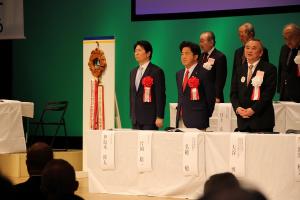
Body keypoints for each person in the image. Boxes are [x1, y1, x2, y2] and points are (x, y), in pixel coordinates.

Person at [230, 39, 277, 133]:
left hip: (261, 120)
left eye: (253, 48)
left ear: (260, 53)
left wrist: (253, 110)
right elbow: (233, 93)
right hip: (243, 121)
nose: (249, 50)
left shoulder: (269, 69)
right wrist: (238, 108)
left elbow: (267, 95)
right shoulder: (239, 69)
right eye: (247, 48)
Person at [176, 41, 215, 130]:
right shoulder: (179, 74)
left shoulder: (204, 73)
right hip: (181, 119)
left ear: (196, 56)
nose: (183, 56)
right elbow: (181, 95)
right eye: (182, 54)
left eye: (187, 53)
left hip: (198, 119)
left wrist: (204, 115)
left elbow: (210, 97)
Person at [129, 40, 166, 130]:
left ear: (148, 53)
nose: (136, 53)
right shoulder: (133, 72)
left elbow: (160, 95)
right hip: (135, 119)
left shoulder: (156, 71)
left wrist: (159, 116)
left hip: (150, 119)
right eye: (135, 51)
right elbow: (133, 94)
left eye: (139, 50)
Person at [199, 31, 227, 103]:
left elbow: (220, 79)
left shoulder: (220, 57)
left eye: (202, 41)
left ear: (211, 42)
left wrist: (217, 96)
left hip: (214, 97)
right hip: (201, 96)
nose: (200, 44)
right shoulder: (201, 56)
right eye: (200, 41)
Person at [277, 23, 300, 102]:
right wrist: (280, 89)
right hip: (284, 93)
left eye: (290, 38)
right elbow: (281, 69)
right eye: (285, 38)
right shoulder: (284, 48)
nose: (287, 42)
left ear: (298, 36)